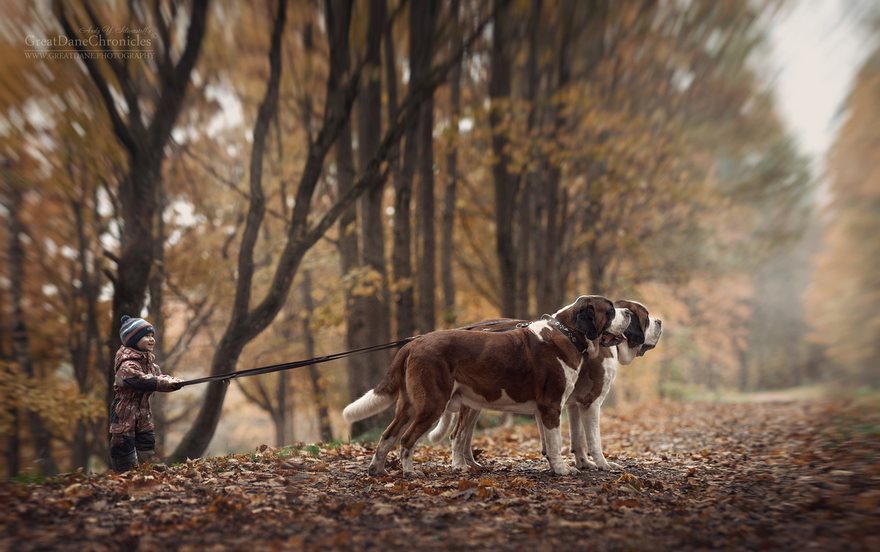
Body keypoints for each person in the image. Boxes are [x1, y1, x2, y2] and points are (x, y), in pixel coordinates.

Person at [109, 315, 183, 473]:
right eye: (146, 336)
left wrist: (173, 382)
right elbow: (141, 380)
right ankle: (125, 476)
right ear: (132, 340)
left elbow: (159, 377)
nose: (151, 339)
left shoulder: (150, 363)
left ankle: (146, 472)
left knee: (147, 444)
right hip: (124, 414)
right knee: (123, 446)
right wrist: (163, 382)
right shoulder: (126, 365)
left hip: (143, 414)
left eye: (152, 336)